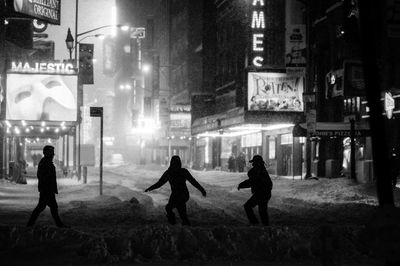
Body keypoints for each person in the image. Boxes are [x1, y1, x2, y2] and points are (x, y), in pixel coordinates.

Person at [145, 155, 206, 226]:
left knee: (180, 212)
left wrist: (202, 190)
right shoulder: (170, 173)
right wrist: (149, 188)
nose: (176, 166)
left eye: (176, 164)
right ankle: (174, 224)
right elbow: (159, 183)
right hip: (175, 195)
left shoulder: (181, 172)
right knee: (169, 208)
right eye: (175, 163)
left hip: (183, 194)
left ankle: (184, 227)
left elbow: (193, 182)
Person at [27, 145, 68, 228]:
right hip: (47, 190)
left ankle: (30, 224)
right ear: (47, 153)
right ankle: (59, 224)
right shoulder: (45, 163)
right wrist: (47, 187)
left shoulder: (47, 162)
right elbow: (42, 176)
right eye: (52, 153)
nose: (53, 154)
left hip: (47, 189)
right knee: (47, 207)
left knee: (47, 207)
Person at [237, 155, 273, 226]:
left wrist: (242, 185)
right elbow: (269, 184)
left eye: (254, 162)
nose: (253, 164)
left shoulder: (257, 171)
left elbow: (252, 181)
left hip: (261, 193)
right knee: (262, 210)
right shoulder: (262, 170)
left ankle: (255, 223)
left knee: (248, 206)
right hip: (264, 193)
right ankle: (265, 225)